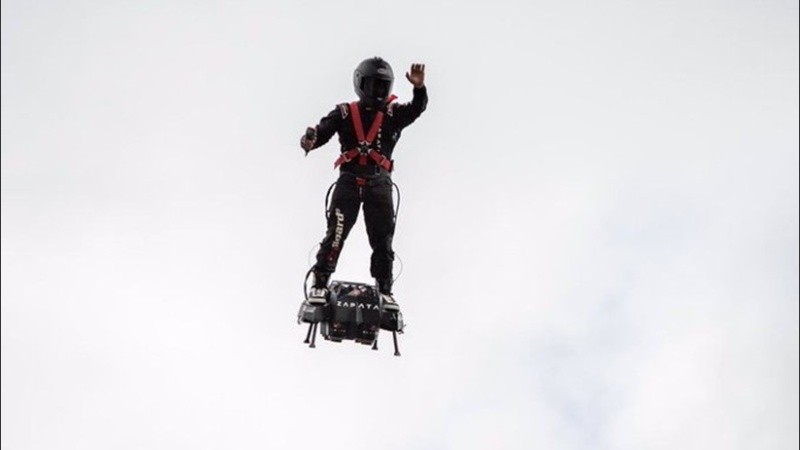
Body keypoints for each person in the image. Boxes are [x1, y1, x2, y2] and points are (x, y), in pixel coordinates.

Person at [300, 57, 427, 311]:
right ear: (361, 84)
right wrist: (309, 140)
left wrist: (419, 87)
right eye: (373, 85)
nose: (378, 91)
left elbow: (417, 107)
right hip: (348, 182)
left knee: (383, 241)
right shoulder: (344, 112)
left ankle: (385, 289)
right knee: (335, 235)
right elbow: (320, 134)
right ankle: (320, 283)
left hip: (379, 184)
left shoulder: (394, 114)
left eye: (383, 86)